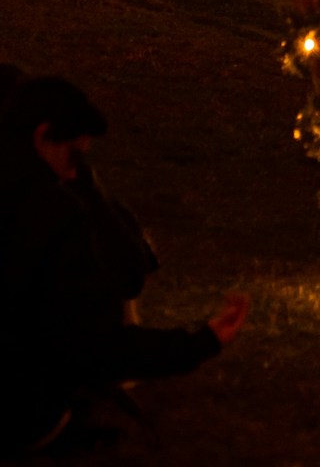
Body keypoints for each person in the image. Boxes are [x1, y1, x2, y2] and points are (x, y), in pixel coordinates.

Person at [0, 74, 247, 454]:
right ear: (42, 138)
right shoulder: (50, 216)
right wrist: (201, 342)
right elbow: (92, 346)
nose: (71, 173)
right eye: (73, 156)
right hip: (21, 416)